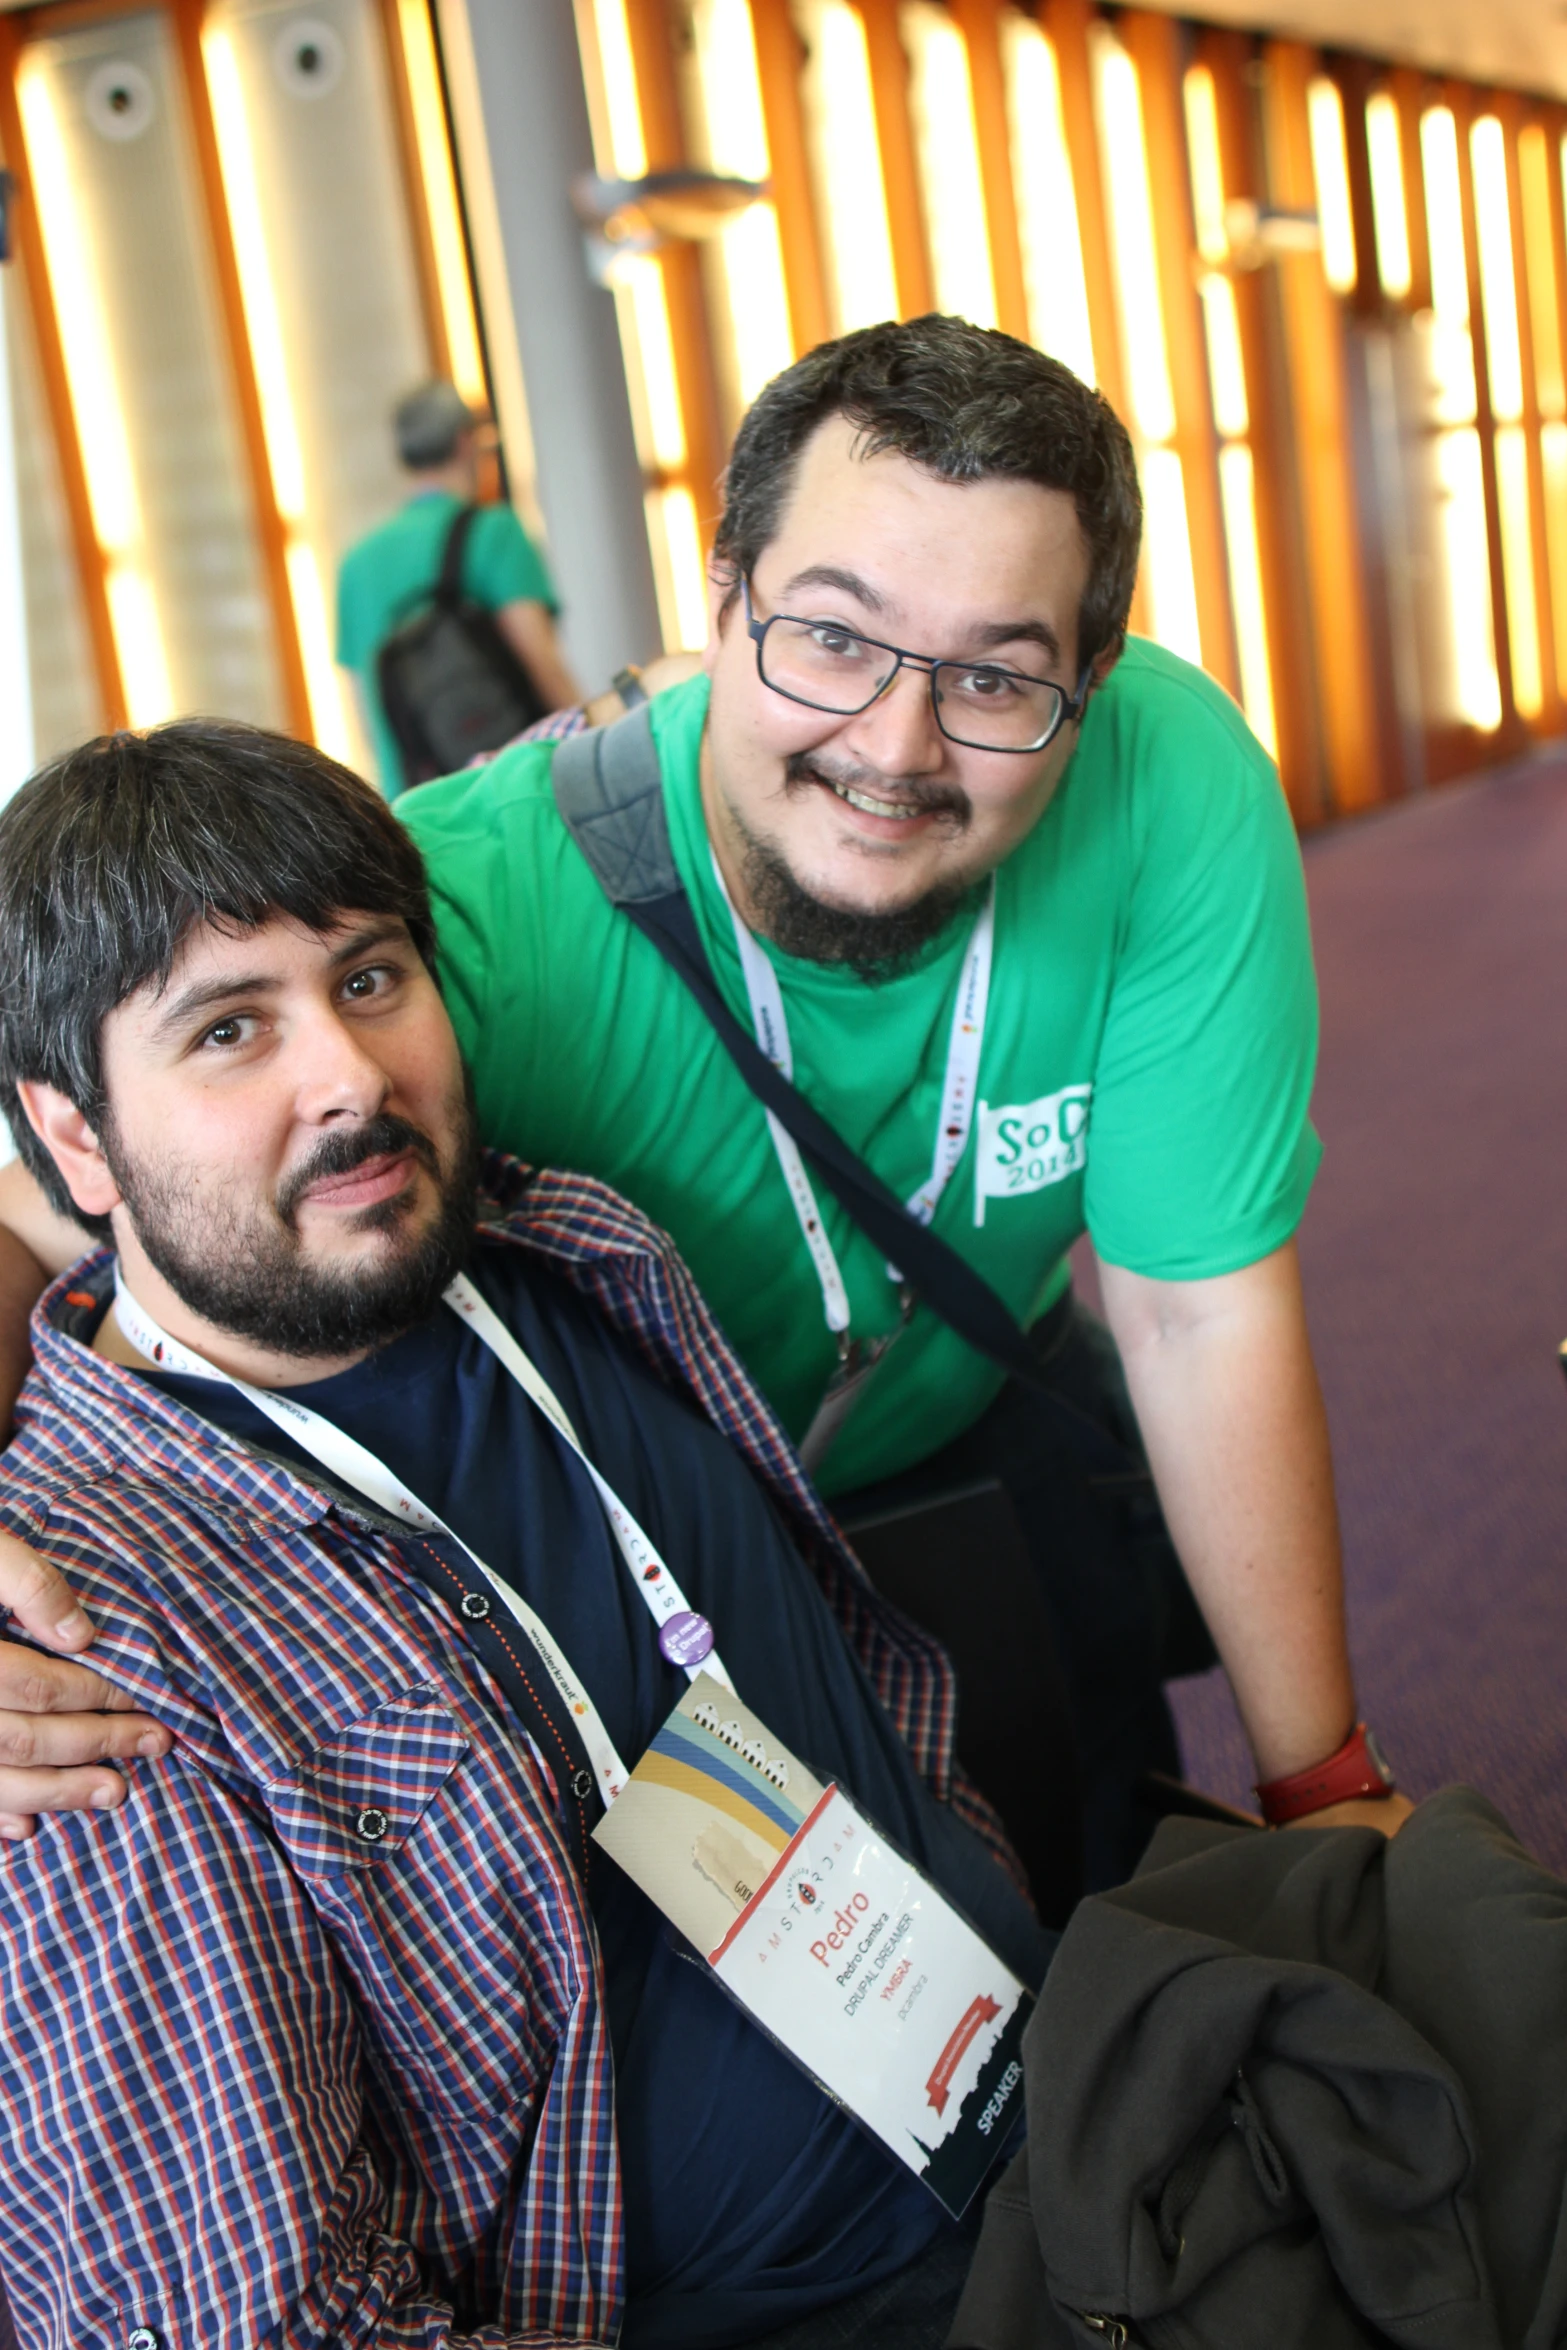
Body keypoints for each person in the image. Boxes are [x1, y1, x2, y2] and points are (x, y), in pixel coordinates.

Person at [0, 317, 1412, 1879]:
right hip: (654, 1544)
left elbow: (1193, 1313)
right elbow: (57, 1177)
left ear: (1089, 681)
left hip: (974, 1429)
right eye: (828, 636)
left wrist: (1320, 1782)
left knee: (1100, 1903)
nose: (892, 745)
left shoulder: (1161, 782)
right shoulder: (465, 925)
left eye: (996, 678)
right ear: (721, 599)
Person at [0, 723, 1051, 2349]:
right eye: (228, 1031)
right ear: (74, 1136)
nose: (349, 1076)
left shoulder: (572, 1251)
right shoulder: (87, 1656)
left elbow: (823, 1664)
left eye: (368, 979)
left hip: (1051, 2087)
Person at [336, 380, 580, 797]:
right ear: (466, 443)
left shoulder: (355, 566)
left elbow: (369, 721)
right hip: (514, 792)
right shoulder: (494, 532)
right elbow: (543, 665)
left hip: (417, 805)